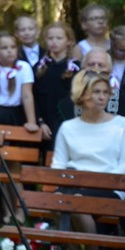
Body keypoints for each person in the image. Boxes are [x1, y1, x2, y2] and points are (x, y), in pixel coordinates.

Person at [51, 70, 125, 250]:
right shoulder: (68, 127)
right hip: (75, 185)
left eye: (105, 92)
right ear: (82, 94)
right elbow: (58, 164)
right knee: (58, 203)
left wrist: (102, 181)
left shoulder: (123, 125)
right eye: (96, 92)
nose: (102, 97)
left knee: (78, 203)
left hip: (110, 187)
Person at [0, 32, 39, 133]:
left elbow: (27, 96)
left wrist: (31, 122)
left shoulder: (24, 67)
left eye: (13, 47)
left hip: (15, 114)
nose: (9, 51)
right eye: (4, 48)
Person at [33, 21, 79, 154]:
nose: (54, 42)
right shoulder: (39, 68)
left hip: (67, 122)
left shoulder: (76, 68)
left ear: (69, 41)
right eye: (50, 38)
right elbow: (33, 97)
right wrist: (40, 123)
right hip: (44, 123)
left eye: (59, 38)